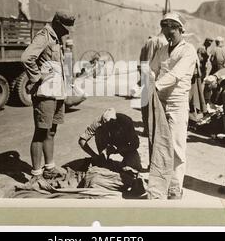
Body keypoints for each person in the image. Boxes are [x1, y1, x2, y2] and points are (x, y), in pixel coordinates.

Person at [21, 11, 76, 183]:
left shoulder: (57, 38)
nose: (66, 32)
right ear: (57, 23)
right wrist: (37, 77)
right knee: (41, 132)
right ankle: (36, 174)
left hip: (57, 91)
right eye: (64, 28)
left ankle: (49, 168)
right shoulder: (44, 35)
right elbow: (26, 57)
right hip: (45, 92)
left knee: (52, 131)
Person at [148, 12, 197, 199]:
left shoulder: (188, 50)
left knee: (176, 147)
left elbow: (176, 74)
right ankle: (162, 184)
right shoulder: (161, 50)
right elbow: (153, 69)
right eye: (166, 31)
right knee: (159, 145)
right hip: (160, 103)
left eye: (172, 31)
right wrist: (149, 79)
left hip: (177, 104)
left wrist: (157, 85)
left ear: (180, 30)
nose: (169, 35)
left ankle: (176, 188)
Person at [78, 108, 142, 171]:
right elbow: (82, 140)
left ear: (115, 120)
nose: (107, 126)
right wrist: (94, 156)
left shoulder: (126, 121)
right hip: (104, 146)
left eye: (109, 124)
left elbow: (136, 144)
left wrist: (119, 149)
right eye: (104, 124)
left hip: (122, 146)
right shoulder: (98, 123)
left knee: (135, 166)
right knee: (103, 167)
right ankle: (103, 159)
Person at [139, 34, 168, 136]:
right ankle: (153, 129)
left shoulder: (148, 42)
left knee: (145, 102)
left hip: (145, 74)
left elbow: (141, 58)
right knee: (155, 103)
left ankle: (146, 129)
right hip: (155, 77)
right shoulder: (163, 43)